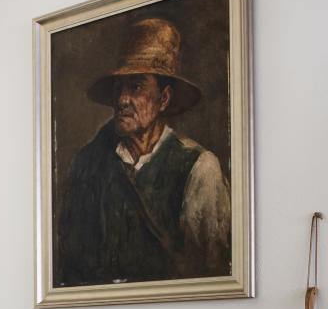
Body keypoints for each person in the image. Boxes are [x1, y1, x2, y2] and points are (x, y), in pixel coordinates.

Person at [57, 17, 230, 287]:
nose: (122, 99)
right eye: (118, 88)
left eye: (136, 87)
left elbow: (211, 273)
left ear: (164, 98)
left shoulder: (199, 168)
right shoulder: (89, 164)